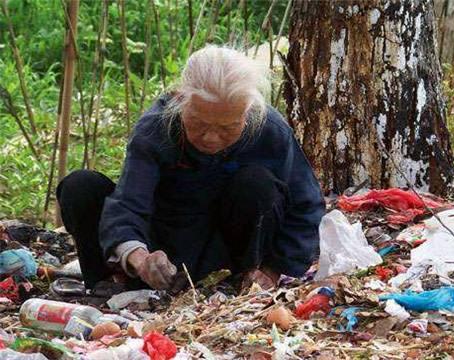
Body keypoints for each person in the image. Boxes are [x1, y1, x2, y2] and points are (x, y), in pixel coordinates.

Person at [56, 45, 325, 292]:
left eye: (227, 128)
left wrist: (273, 270)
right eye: (198, 123)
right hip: (162, 246)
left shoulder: (270, 131)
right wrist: (139, 258)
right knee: (80, 186)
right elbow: (129, 203)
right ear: (179, 99)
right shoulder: (155, 129)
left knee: (257, 183)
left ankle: (238, 281)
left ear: (247, 112)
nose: (211, 138)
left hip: (226, 251)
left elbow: (306, 205)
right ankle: (110, 285)